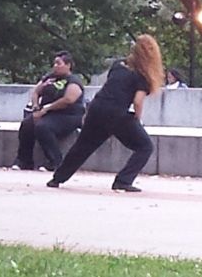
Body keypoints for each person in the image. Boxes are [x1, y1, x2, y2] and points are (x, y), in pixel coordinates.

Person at [47, 35, 164, 192]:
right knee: (144, 147)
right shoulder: (142, 76)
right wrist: (137, 118)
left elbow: (111, 87)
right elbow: (137, 101)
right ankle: (123, 180)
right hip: (117, 114)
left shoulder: (118, 65)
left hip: (97, 108)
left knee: (83, 146)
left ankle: (57, 178)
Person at [11, 51, 85, 172]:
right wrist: (36, 107)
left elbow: (69, 99)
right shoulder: (49, 78)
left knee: (43, 127)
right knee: (27, 125)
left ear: (68, 65)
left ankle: (55, 161)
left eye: (58, 63)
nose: (55, 66)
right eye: (54, 63)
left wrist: (47, 108)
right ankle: (24, 160)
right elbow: (35, 92)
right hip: (47, 112)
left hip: (68, 115)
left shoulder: (73, 81)